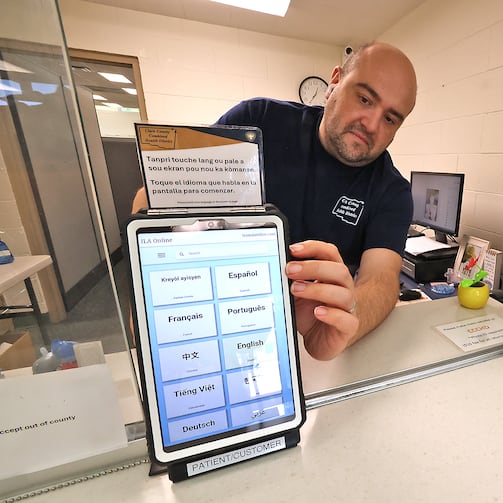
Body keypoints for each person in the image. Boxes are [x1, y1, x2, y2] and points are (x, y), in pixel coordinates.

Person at [131, 42, 417, 361]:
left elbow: (381, 280)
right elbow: (151, 202)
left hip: (315, 335)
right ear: (335, 81)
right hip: (224, 319)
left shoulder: (392, 191)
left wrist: (345, 323)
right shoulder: (258, 121)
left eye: (390, 119)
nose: (372, 125)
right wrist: (150, 305)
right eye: (364, 99)